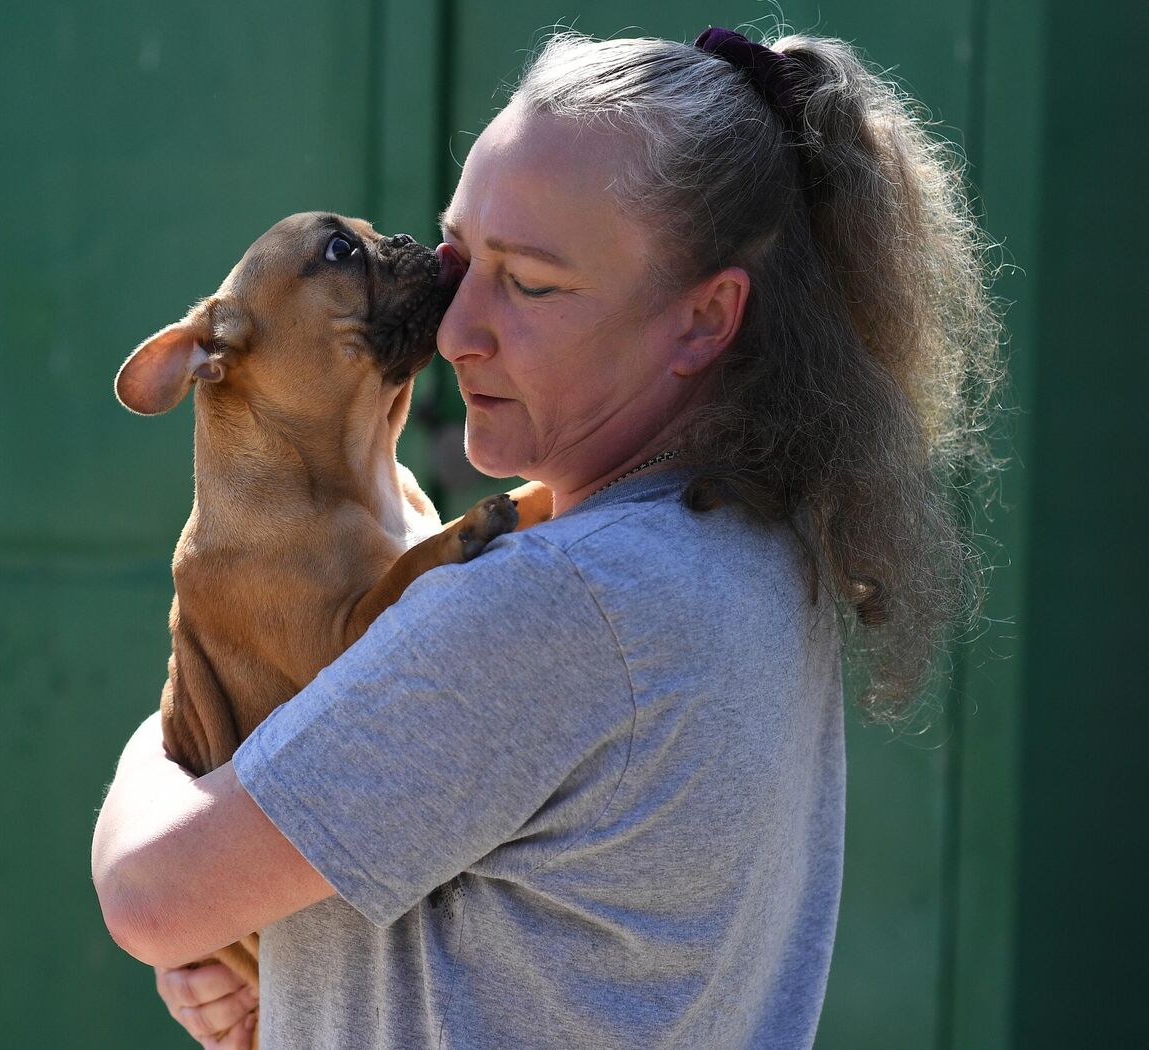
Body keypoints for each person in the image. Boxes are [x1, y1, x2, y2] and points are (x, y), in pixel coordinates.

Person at [91, 25, 1004, 1049]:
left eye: (528, 284)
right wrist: (288, 986)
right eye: (460, 257)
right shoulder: (745, 547)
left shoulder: (563, 605)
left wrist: (161, 757)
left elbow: (151, 897)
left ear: (702, 320)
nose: (453, 330)